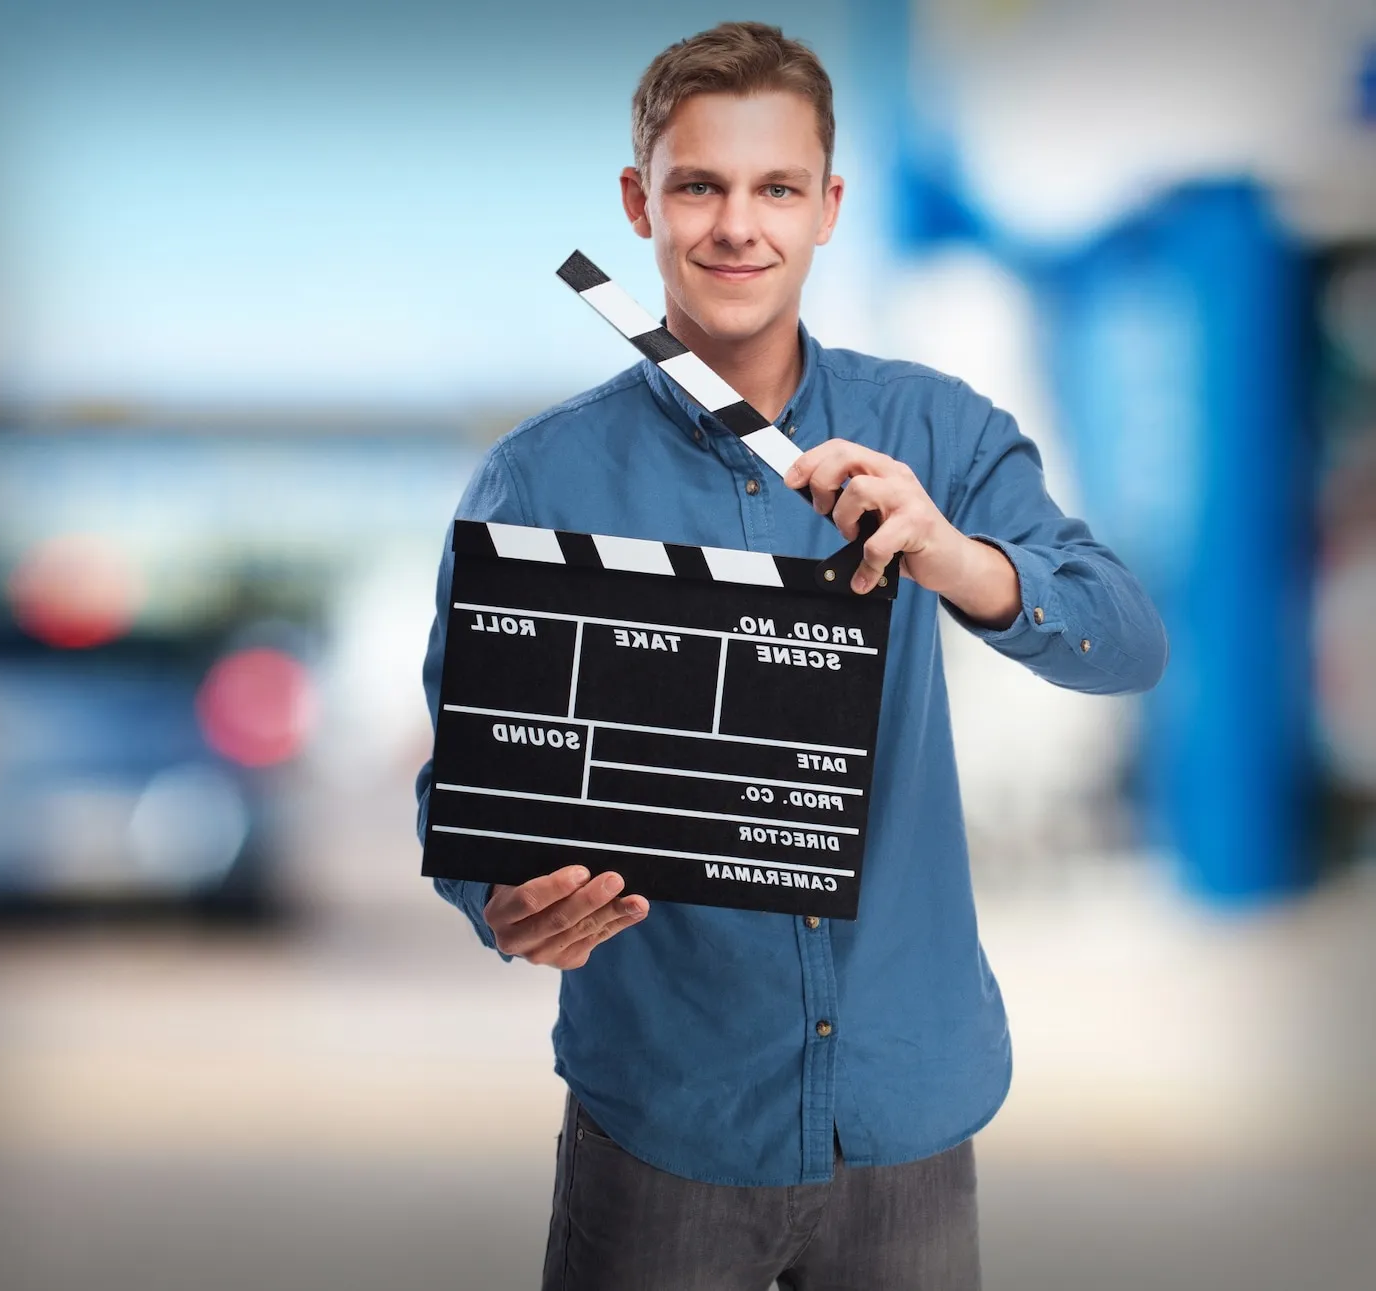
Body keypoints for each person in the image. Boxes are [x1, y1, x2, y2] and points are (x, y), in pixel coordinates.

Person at [415, 20, 1166, 1291]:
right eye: (697, 184)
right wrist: (501, 902)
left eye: (774, 189)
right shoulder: (538, 478)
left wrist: (952, 556)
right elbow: (469, 791)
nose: (735, 227)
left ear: (827, 207)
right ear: (635, 203)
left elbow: (1124, 639)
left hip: (904, 1112)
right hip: (666, 1119)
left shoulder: (937, 424)